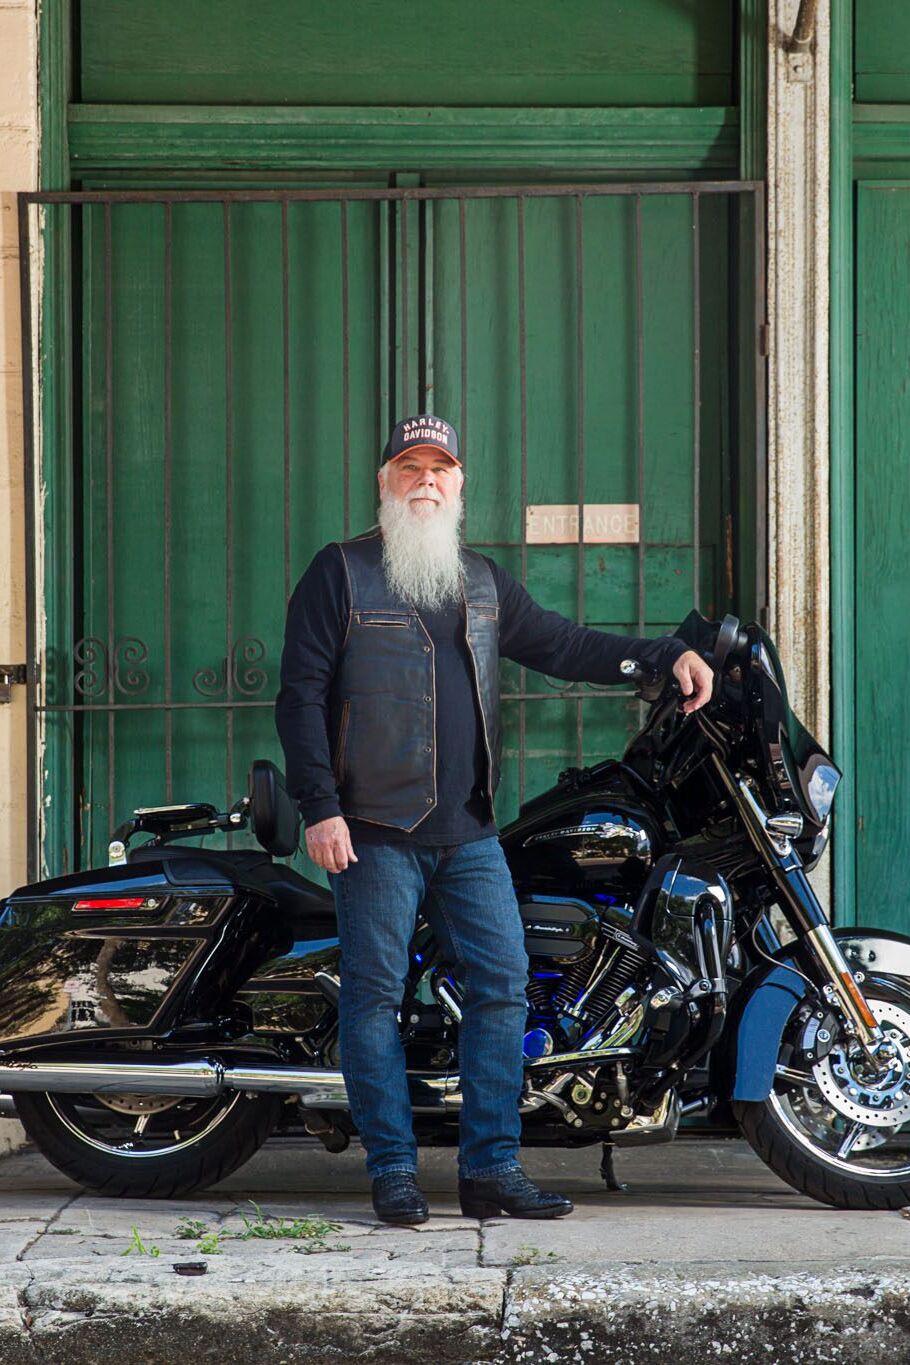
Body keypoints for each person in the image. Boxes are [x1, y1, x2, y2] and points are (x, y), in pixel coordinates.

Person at [275, 414, 713, 1226]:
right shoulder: (339, 574)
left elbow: (565, 644)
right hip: (372, 830)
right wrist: (320, 807)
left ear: (460, 484)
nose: (427, 482)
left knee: (504, 987)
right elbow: (298, 697)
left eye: (441, 469)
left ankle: (490, 1168)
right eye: (411, 468)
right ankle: (395, 1172)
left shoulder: (480, 581)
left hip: (469, 833)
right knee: (373, 998)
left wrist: (661, 656)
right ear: (385, 484)